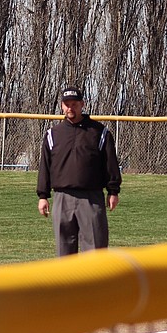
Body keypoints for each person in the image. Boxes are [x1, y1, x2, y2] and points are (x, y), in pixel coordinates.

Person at [36, 86, 122, 256]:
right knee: (64, 250)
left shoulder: (99, 132)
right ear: (62, 106)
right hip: (62, 197)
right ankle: (68, 283)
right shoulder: (53, 134)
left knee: (95, 249)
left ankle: (94, 283)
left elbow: (110, 163)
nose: (70, 108)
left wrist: (113, 191)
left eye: (74, 104)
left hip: (91, 198)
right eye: (67, 104)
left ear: (82, 104)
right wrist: (43, 196)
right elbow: (45, 166)